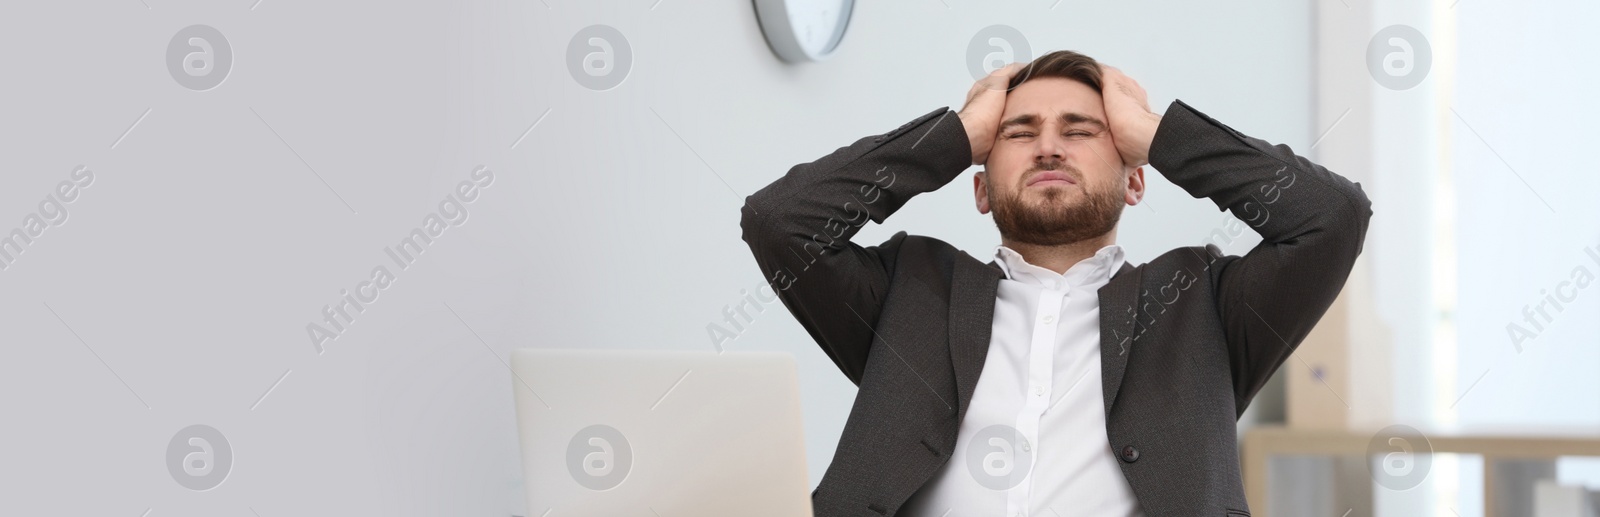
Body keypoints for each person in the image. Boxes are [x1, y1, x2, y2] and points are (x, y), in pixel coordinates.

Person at [739, 50, 1372, 517]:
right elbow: (779, 222)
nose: (1048, 148)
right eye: (1017, 133)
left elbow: (1331, 218)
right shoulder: (908, 293)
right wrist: (955, 135)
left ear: (1135, 180)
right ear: (981, 188)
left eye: (1080, 131)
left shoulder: (1203, 304)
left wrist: (1157, 133)